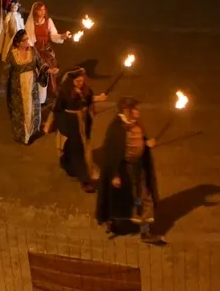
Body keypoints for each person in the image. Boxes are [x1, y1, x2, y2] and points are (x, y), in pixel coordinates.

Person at [96, 96, 166, 245]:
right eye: (134, 109)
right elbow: (111, 154)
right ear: (126, 110)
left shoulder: (135, 123)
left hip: (138, 168)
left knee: (142, 198)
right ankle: (114, 222)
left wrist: (146, 143)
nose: (138, 111)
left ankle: (145, 232)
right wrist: (115, 174)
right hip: (124, 171)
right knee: (124, 199)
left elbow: (139, 139)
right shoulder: (116, 129)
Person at [53, 68, 107, 193]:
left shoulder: (85, 90)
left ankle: (66, 163)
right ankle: (85, 180)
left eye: (82, 81)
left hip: (83, 123)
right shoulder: (64, 93)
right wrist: (63, 127)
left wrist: (99, 98)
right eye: (77, 81)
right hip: (71, 125)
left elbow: (88, 100)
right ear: (71, 81)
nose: (80, 83)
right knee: (78, 151)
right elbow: (57, 110)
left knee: (77, 148)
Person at [5, 30, 55, 145]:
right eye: (25, 40)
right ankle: (23, 135)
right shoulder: (12, 54)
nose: (28, 41)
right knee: (21, 111)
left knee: (32, 109)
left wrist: (48, 70)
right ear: (18, 43)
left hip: (31, 87)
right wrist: (3, 89)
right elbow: (7, 72)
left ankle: (33, 132)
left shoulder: (32, 51)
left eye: (27, 38)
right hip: (18, 89)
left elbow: (40, 63)